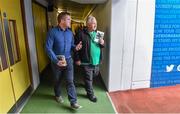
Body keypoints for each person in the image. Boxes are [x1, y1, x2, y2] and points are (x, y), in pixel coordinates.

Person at [45, 12, 82, 109]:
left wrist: (76, 47)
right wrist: (56, 60)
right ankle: (57, 95)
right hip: (57, 61)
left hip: (69, 60)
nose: (70, 21)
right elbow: (48, 48)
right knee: (57, 80)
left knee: (70, 81)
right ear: (62, 20)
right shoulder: (52, 32)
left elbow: (72, 45)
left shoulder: (70, 33)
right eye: (69, 19)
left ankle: (73, 102)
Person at [74, 16, 105, 102]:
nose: (95, 25)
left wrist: (102, 43)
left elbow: (101, 46)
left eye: (95, 23)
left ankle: (87, 83)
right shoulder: (81, 34)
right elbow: (76, 48)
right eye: (93, 23)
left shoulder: (98, 34)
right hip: (86, 61)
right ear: (88, 24)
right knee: (89, 79)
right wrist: (77, 59)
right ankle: (90, 94)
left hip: (96, 61)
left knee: (95, 74)